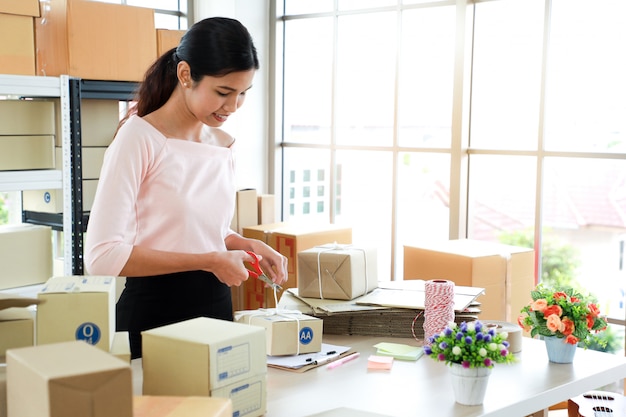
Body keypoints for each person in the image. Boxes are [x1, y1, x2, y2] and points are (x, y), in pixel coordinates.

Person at [84, 17, 288, 359]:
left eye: (242, 94)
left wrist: (243, 243)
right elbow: (102, 256)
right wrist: (210, 260)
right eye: (223, 92)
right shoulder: (139, 138)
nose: (233, 107)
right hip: (153, 320)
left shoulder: (223, 144)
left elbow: (199, 228)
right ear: (185, 75)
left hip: (217, 314)